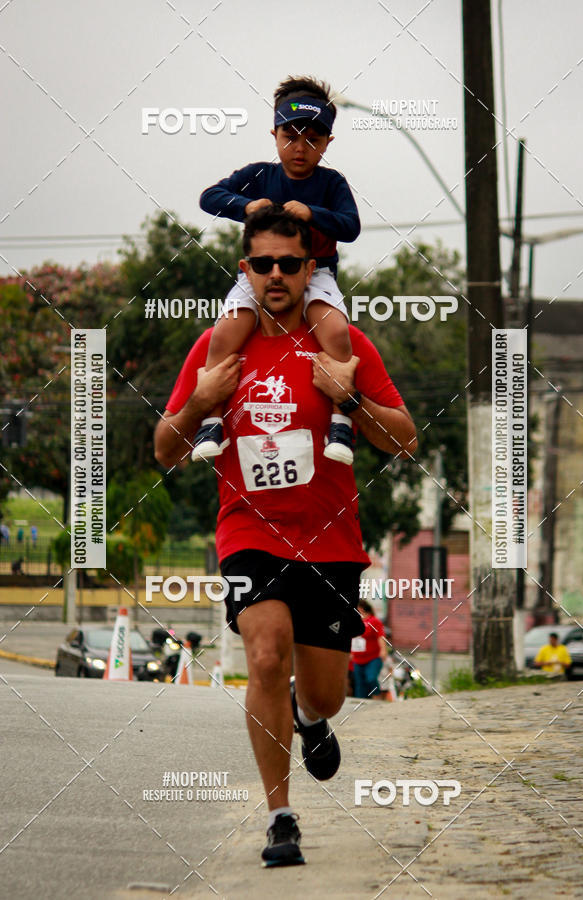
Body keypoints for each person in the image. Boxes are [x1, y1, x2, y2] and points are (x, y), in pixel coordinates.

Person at [154, 205, 417, 868]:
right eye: (262, 263)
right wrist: (197, 403)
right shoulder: (220, 345)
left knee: (324, 689)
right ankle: (280, 815)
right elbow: (164, 449)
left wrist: (351, 400)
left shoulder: (343, 345)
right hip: (249, 531)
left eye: (289, 264)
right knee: (266, 656)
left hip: (330, 540)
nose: (275, 275)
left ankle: (310, 715)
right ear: (245, 269)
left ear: (310, 272)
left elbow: (405, 440)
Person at [192, 75, 361, 466]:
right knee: (225, 333)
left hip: (315, 273)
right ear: (275, 134)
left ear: (327, 143)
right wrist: (246, 206)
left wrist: (314, 215)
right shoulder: (260, 175)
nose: (300, 149)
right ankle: (212, 420)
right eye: (290, 137)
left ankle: (340, 421)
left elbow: (350, 226)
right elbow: (209, 197)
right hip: (259, 272)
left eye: (313, 140)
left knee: (335, 330)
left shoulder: (332, 183)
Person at [351, 600, 387, 698]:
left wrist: (383, 650)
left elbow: (380, 636)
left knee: (371, 678)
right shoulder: (353, 622)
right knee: (359, 683)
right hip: (357, 659)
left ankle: (377, 696)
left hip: (373, 657)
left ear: (361, 609)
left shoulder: (373, 621)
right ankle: (360, 703)